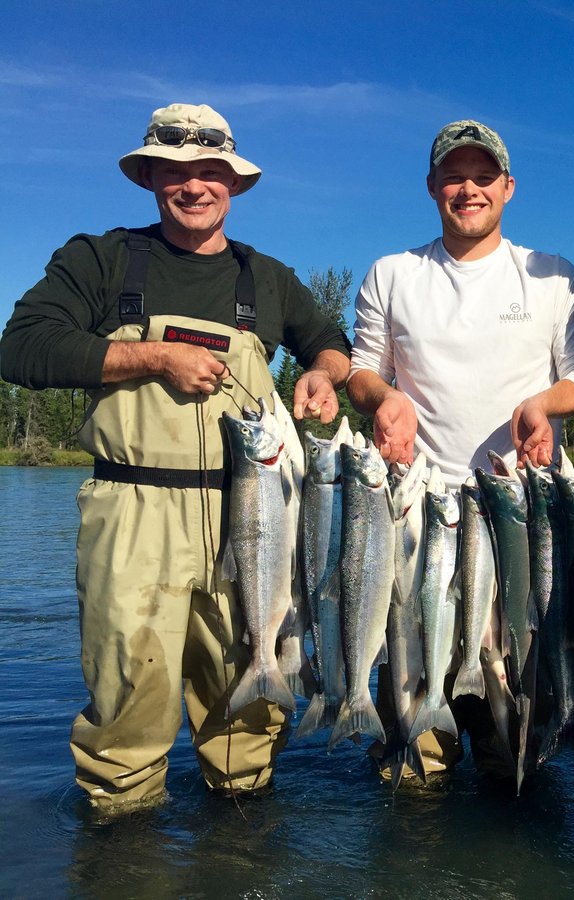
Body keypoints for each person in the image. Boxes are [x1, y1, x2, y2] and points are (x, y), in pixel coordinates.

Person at [0, 103, 352, 813]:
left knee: (247, 721)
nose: (194, 186)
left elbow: (330, 340)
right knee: (129, 703)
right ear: (151, 178)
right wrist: (151, 356)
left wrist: (325, 371)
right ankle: (122, 848)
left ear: (233, 182)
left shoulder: (267, 278)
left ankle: (242, 844)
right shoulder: (99, 260)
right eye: (175, 172)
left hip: (247, 512)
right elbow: (22, 348)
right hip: (131, 515)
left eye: (209, 172)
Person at [347, 119, 574, 775]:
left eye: (483, 177)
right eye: (454, 177)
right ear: (433, 187)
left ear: (508, 188)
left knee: (511, 732)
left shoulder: (551, 276)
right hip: (418, 518)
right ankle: (414, 790)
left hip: (519, 517)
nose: (469, 189)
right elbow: (361, 368)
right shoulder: (393, 274)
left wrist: (545, 404)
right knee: (416, 732)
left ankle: (511, 799)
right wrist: (383, 398)